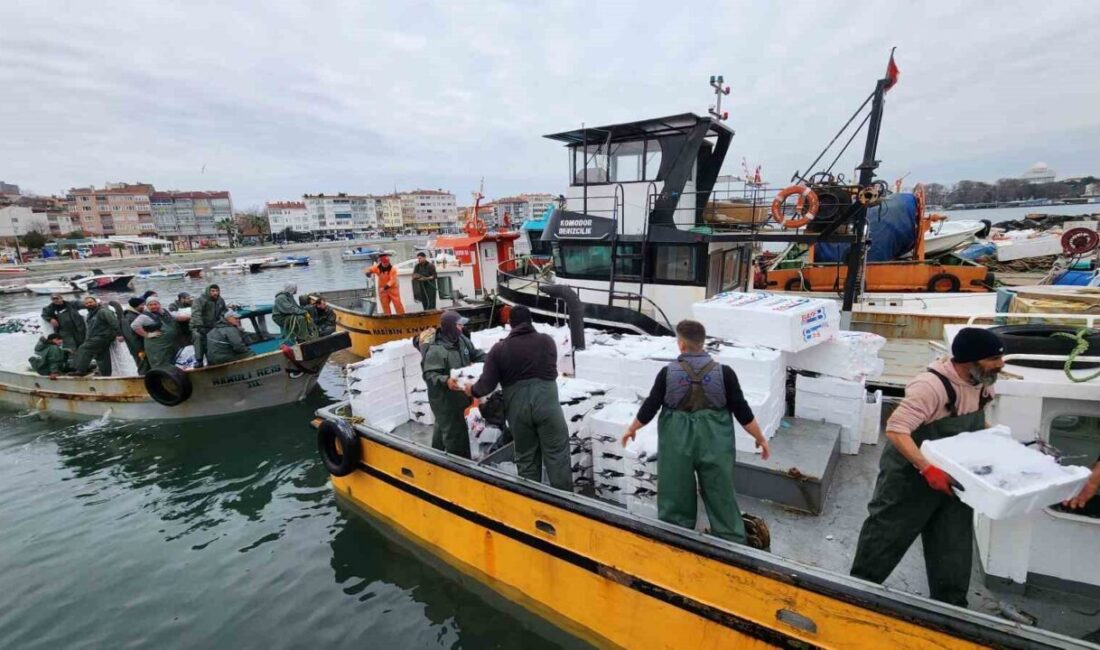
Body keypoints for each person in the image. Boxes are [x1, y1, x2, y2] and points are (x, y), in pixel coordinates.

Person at [850, 327, 1005, 607]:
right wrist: (927, 469)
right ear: (970, 360)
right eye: (994, 358)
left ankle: (951, 607)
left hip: (955, 477)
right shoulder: (931, 387)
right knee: (887, 534)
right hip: (910, 479)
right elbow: (897, 430)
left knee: (953, 544)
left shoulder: (983, 381)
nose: (1000, 365)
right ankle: (857, 592)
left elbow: (976, 421)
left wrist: (999, 442)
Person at [620, 319, 770, 544]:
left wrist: (632, 429)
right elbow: (742, 410)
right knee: (721, 490)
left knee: (675, 492)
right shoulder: (725, 373)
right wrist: (760, 438)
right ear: (703, 343)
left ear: (681, 345)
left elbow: (650, 406)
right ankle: (731, 542)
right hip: (715, 440)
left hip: (676, 441)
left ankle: (677, 539)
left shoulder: (667, 373)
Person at [467, 306, 573, 490]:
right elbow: (550, 369)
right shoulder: (547, 341)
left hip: (518, 410)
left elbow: (486, 385)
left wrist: (472, 390)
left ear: (510, 323)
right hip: (547, 406)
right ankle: (566, 508)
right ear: (530, 321)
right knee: (557, 456)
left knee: (527, 459)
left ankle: (531, 503)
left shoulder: (499, 349)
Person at [422, 310, 486, 458]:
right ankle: (459, 464)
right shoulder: (436, 350)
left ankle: (435, 454)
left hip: (460, 395)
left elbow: (474, 353)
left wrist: (493, 358)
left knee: (443, 426)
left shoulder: (462, 340)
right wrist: (446, 381)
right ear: (450, 327)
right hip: (444, 400)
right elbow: (429, 375)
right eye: (458, 325)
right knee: (455, 434)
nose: (462, 328)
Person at [130, 297, 191, 370]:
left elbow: (177, 317)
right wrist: (147, 335)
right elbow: (134, 326)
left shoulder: (165, 313)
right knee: (160, 365)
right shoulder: (144, 316)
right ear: (147, 306)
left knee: (174, 362)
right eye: (150, 305)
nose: (153, 306)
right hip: (157, 348)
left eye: (155, 304)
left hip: (169, 345)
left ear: (159, 304)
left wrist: (191, 317)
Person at [71, 296, 121, 376]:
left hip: (103, 336)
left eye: (91, 302)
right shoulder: (90, 314)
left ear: (96, 302)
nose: (89, 304)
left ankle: (80, 370)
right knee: (102, 356)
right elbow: (90, 329)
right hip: (96, 338)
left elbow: (114, 322)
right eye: (86, 303)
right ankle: (106, 374)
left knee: (84, 348)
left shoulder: (103, 311)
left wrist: (119, 334)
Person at [190, 284, 226, 368]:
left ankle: (213, 359)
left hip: (213, 325)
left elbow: (224, 311)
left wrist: (221, 320)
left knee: (213, 341)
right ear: (208, 291)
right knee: (198, 338)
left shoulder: (220, 300)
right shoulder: (200, 300)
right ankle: (199, 360)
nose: (215, 293)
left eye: (217, 291)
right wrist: (199, 325)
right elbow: (196, 313)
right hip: (198, 325)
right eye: (212, 291)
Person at [119, 296, 150, 375]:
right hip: (138, 348)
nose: (144, 306)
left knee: (146, 365)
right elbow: (130, 337)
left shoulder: (136, 315)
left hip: (142, 346)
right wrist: (140, 349)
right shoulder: (128, 317)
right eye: (142, 305)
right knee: (143, 366)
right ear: (136, 306)